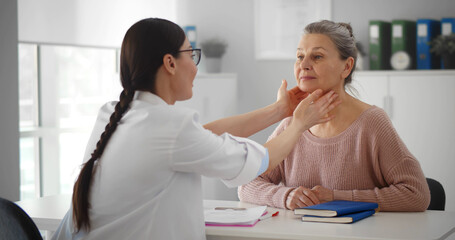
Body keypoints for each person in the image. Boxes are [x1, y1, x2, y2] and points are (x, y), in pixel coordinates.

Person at [51, 18, 340, 240]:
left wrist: (278, 111)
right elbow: (260, 160)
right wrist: (300, 123)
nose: (195, 67)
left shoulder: (114, 113)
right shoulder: (171, 127)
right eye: (192, 55)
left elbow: (204, 136)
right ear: (170, 63)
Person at [238, 20, 431, 212]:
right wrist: (286, 196)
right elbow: (246, 185)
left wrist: (335, 197)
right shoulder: (292, 124)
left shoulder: (372, 123)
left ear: (346, 67)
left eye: (317, 56)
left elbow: (416, 194)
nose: (303, 65)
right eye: (299, 56)